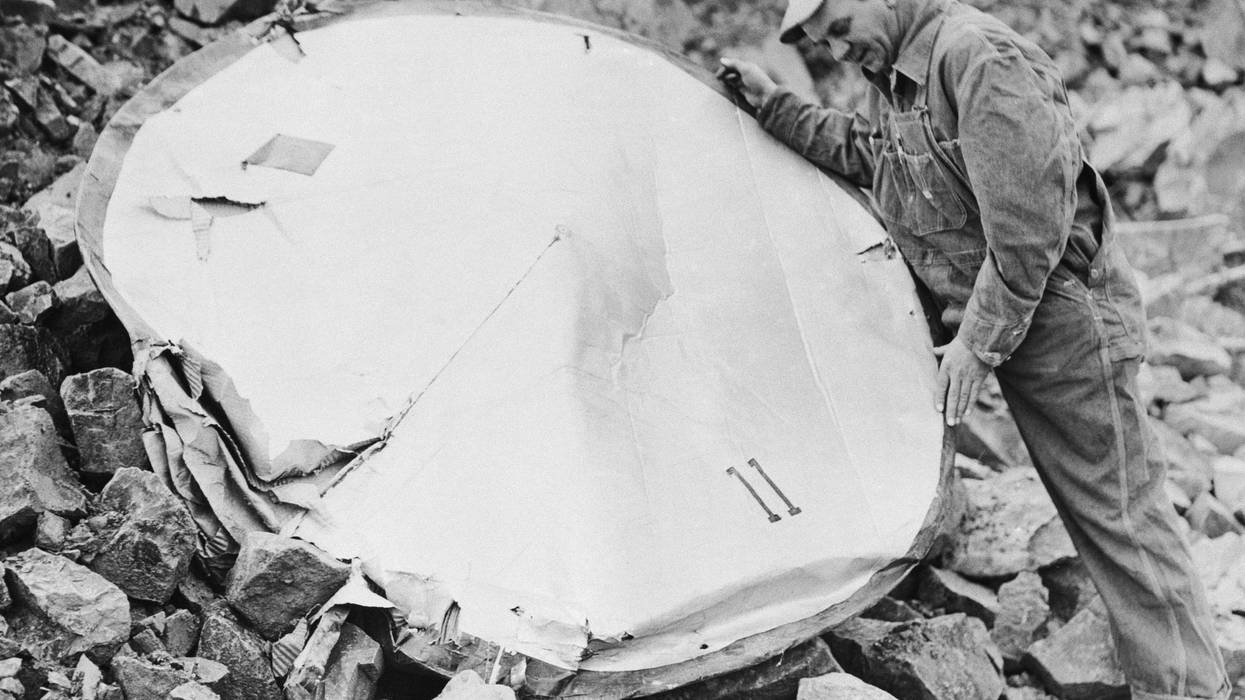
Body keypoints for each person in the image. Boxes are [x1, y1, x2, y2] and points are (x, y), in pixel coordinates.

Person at [717, 1, 1232, 698]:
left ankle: (1186, 690)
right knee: (1101, 515)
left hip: (1065, 327)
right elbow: (875, 158)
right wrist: (772, 105)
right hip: (1014, 324)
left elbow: (1029, 231)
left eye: (839, 31)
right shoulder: (897, 76)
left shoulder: (977, 59)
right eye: (820, 45)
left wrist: (973, 347)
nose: (837, 54)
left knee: (1119, 518)